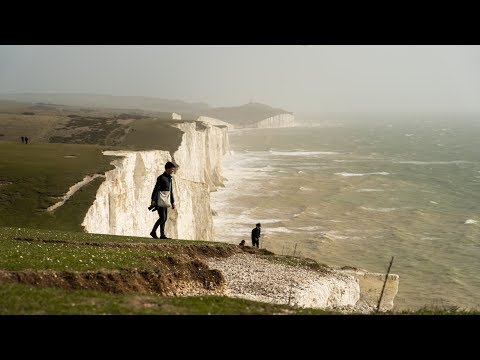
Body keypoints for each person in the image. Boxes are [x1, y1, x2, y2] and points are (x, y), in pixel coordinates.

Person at [150, 161, 176, 239]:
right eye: (171, 169)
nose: (172, 171)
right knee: (162, 218)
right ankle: (153, 232)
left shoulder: (169, 178)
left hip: (166, 200)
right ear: (167, 169)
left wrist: (172, 202)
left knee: (164, 218)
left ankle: (162, 235)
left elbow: (171, 191)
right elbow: (156, 189)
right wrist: (153, 200)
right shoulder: (161, 178)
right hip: (160, 199)